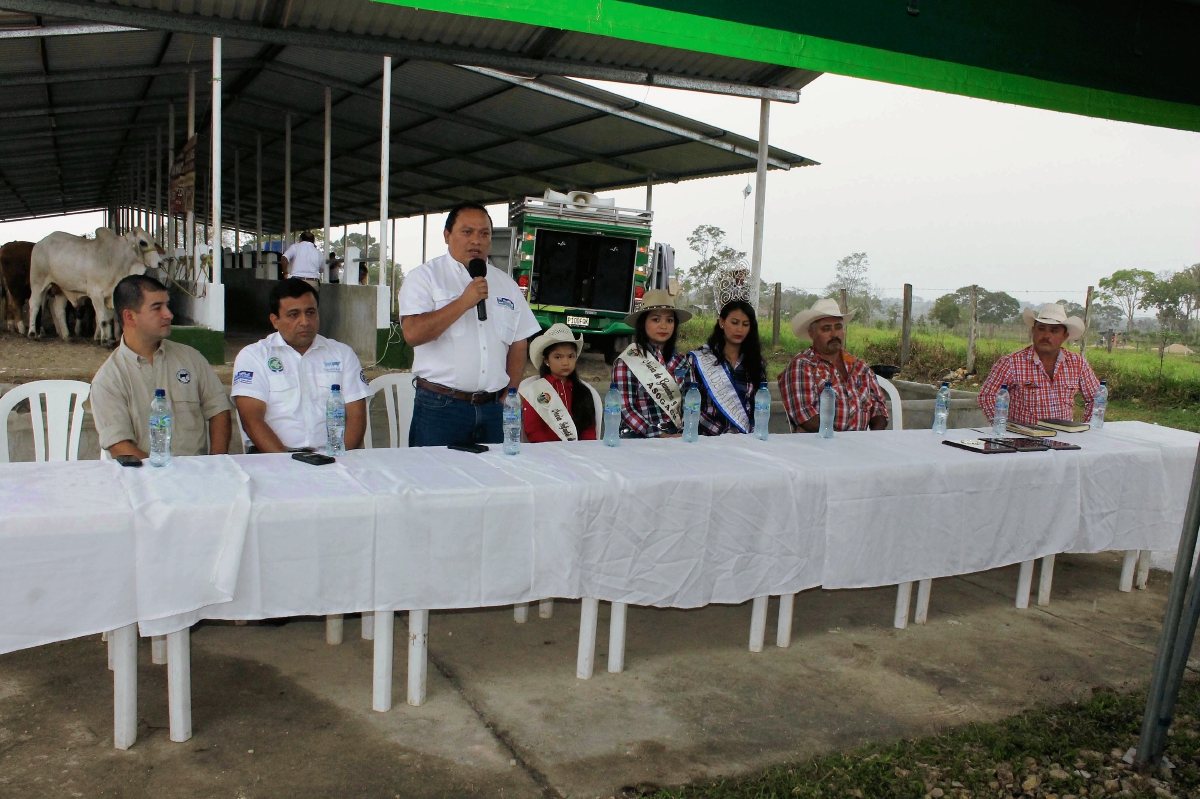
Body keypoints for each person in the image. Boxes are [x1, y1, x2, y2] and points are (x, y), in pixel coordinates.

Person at [398, 201, 540, 447]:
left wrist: (512, 391)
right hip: (441, 407)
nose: (476, 240)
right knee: (436, 481)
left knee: (494, 481)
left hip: (494, 408)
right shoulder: (424, 277)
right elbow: (412, 333)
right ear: (447, 235)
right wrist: (464, 301)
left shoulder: (506, 283)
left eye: (484, 233)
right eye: (467, 232)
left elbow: (519, 341)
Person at [90, 274, 232, 459]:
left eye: (167, 305)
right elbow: (119, 445)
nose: (168, 314)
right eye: (157, 308)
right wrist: (161, 475)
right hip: (143, 479)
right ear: (130, 316)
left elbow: (219, 410)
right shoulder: (108, 379)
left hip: (197, 475)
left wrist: (215, 462)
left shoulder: (191, 358)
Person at [231, 278, 369, 453]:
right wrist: (287, 465)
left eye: (310, 312)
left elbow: (356, 416)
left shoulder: (342, 354)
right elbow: (252, 420)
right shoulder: (254, 356)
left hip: (332, 457)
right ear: (275, 320)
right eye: (293, 314)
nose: (304, 321)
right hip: (273, 457)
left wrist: (338, 460)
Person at [979, 302, 1101, 425]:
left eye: (1054, 331)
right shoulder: (1011, 363)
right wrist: (1003, 427)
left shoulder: (1077, 363)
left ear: (1065, 336)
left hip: (1065, 438)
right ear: (1033, 331)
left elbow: (1096, 397)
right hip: (1024, 439)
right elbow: (987, 396)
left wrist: (1087, 428)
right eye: (1041, 329)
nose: (1046, 335)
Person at [779, 298, 889, 433]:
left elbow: (879, 408)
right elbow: (805, 415)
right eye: (826, 329)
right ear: (811, 334)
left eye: (838, 327)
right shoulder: (802, 365)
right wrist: (841, 442)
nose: (834, 334)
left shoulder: (859, 367)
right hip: (817, 446)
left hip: (858, 446)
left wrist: (871, 439)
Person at [611, 288, 691, 438]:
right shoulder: (627, 361)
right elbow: (625, 408)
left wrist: (684, 431)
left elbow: (690, 402)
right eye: (656, 319)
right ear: (643, 323)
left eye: (670, 320)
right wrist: (659, 434)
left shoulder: (682, 360)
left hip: (677, 435)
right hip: (638, 436)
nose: (663, 325)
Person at [685, 299, 768, 436]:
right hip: (708, 439)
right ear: (722, 322)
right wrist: (725, 433)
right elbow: (690, 406)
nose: (739, 329)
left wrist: (752, 431)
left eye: (745, 324)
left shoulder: (755, 362)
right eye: (734, 323)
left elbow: (758, 406)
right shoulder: (699, 359)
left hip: (746, 440)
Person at [520, 323, 597, 443]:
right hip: (546, 454)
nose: (566, 362)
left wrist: (583, 451)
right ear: (546, 360)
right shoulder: (536, 391)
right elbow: (533, 430)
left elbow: (589, 429)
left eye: (571, 356)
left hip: (579, 455)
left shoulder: (583, 391)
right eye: (558, 357)